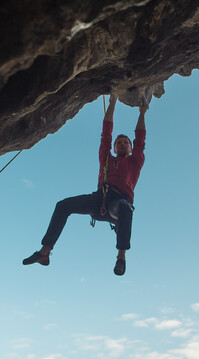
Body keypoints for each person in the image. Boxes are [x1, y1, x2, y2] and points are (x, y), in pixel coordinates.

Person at [23, 94, 147, 275]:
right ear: (113, 148)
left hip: (117, 205)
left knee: (124, 207)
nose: (121, 144)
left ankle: (121, 257)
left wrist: (142, 113)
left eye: (125, 143)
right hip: (99, 200)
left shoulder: (135, 162)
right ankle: (45, 252)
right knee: (62, 205)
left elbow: (140, 140)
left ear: (130, 148)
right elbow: (106, 133)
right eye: (118, 143)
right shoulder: (106, 159)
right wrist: (112, 103)